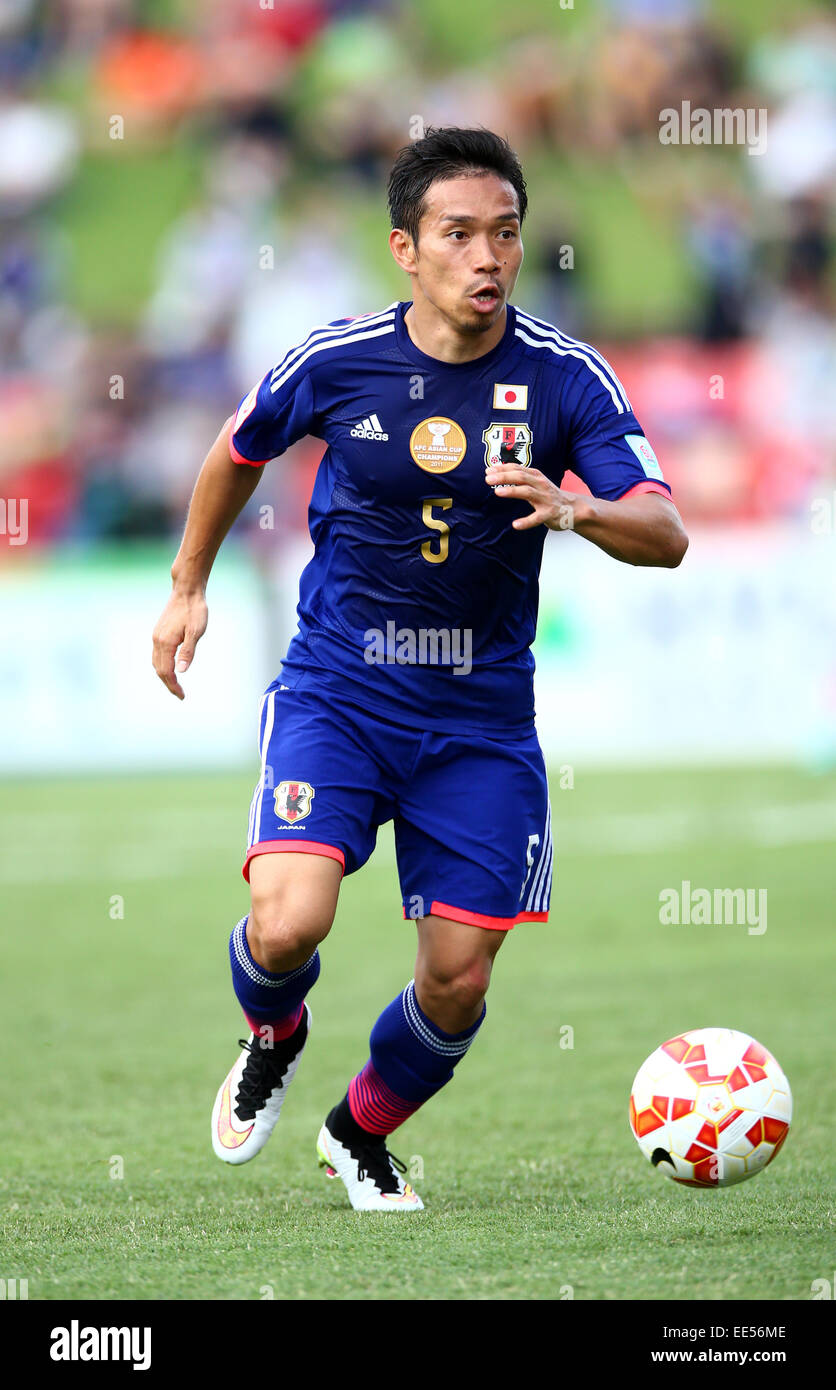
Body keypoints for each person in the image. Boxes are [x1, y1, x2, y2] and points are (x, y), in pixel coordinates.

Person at [152, 126, 688, 1213]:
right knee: (285, 920)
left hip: (479, 717)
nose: (487, 256)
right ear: (405, 247)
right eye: (459, 235)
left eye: (504, 234)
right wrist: (187, 583)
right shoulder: (333, 360)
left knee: (457, 977)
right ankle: (273, 1032)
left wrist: (576, 507)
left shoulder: (560, 376)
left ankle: (358, 1131)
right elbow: (236, 450)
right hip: (340, 690)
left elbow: (665, 530)